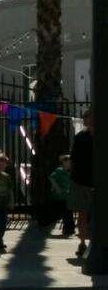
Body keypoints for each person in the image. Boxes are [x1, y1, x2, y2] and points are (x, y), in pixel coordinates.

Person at [69, 108, 94, 258]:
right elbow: (73, 159)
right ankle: (83, 242)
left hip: (96, 181)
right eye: (85, 116)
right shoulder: (80, 137)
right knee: (82, 214)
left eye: (88, 116)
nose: (86, 119)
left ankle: (94, 242)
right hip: (81, 180)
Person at [49, 155, 76, 238]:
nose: (70, 163)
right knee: (66, 213)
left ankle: (70, 229)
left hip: (67, 197)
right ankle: (68, 229)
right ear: (64, 162)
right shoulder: (59, 170)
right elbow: (51, 177)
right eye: (68, 161)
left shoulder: (70, 171)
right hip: (60, 197)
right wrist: (57, 188)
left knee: (68, 213)